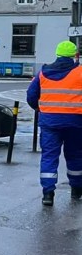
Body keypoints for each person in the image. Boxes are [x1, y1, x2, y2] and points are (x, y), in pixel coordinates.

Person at [26, 40, 82, 206]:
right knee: (75, 155)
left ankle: (48, 194)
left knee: (49, 156)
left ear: (57, 54)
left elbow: (31, 96)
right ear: (75, 56)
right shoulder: (80, 72)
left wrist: (40, 108)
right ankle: (77, 190)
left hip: (49, 122)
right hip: (75, 122)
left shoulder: (43, 73)